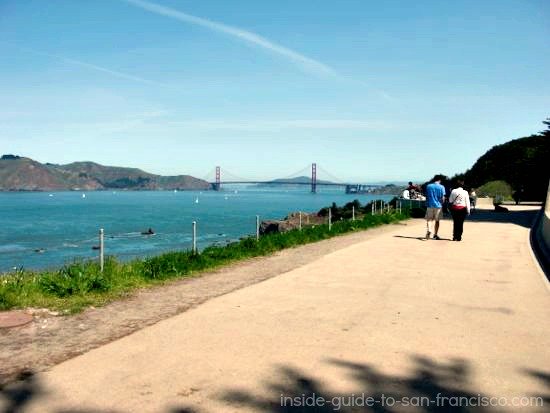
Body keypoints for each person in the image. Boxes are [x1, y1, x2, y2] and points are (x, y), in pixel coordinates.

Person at [424, 175, 446, 240]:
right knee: (437, 221)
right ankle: (435, 234)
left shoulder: (428, 186)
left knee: (429, 219)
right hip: (438, 205)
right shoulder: (442, 187)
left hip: (430, 205)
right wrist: (442, 203)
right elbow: (443, 198)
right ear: (440, 180)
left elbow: (426, 195)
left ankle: (429, 230)